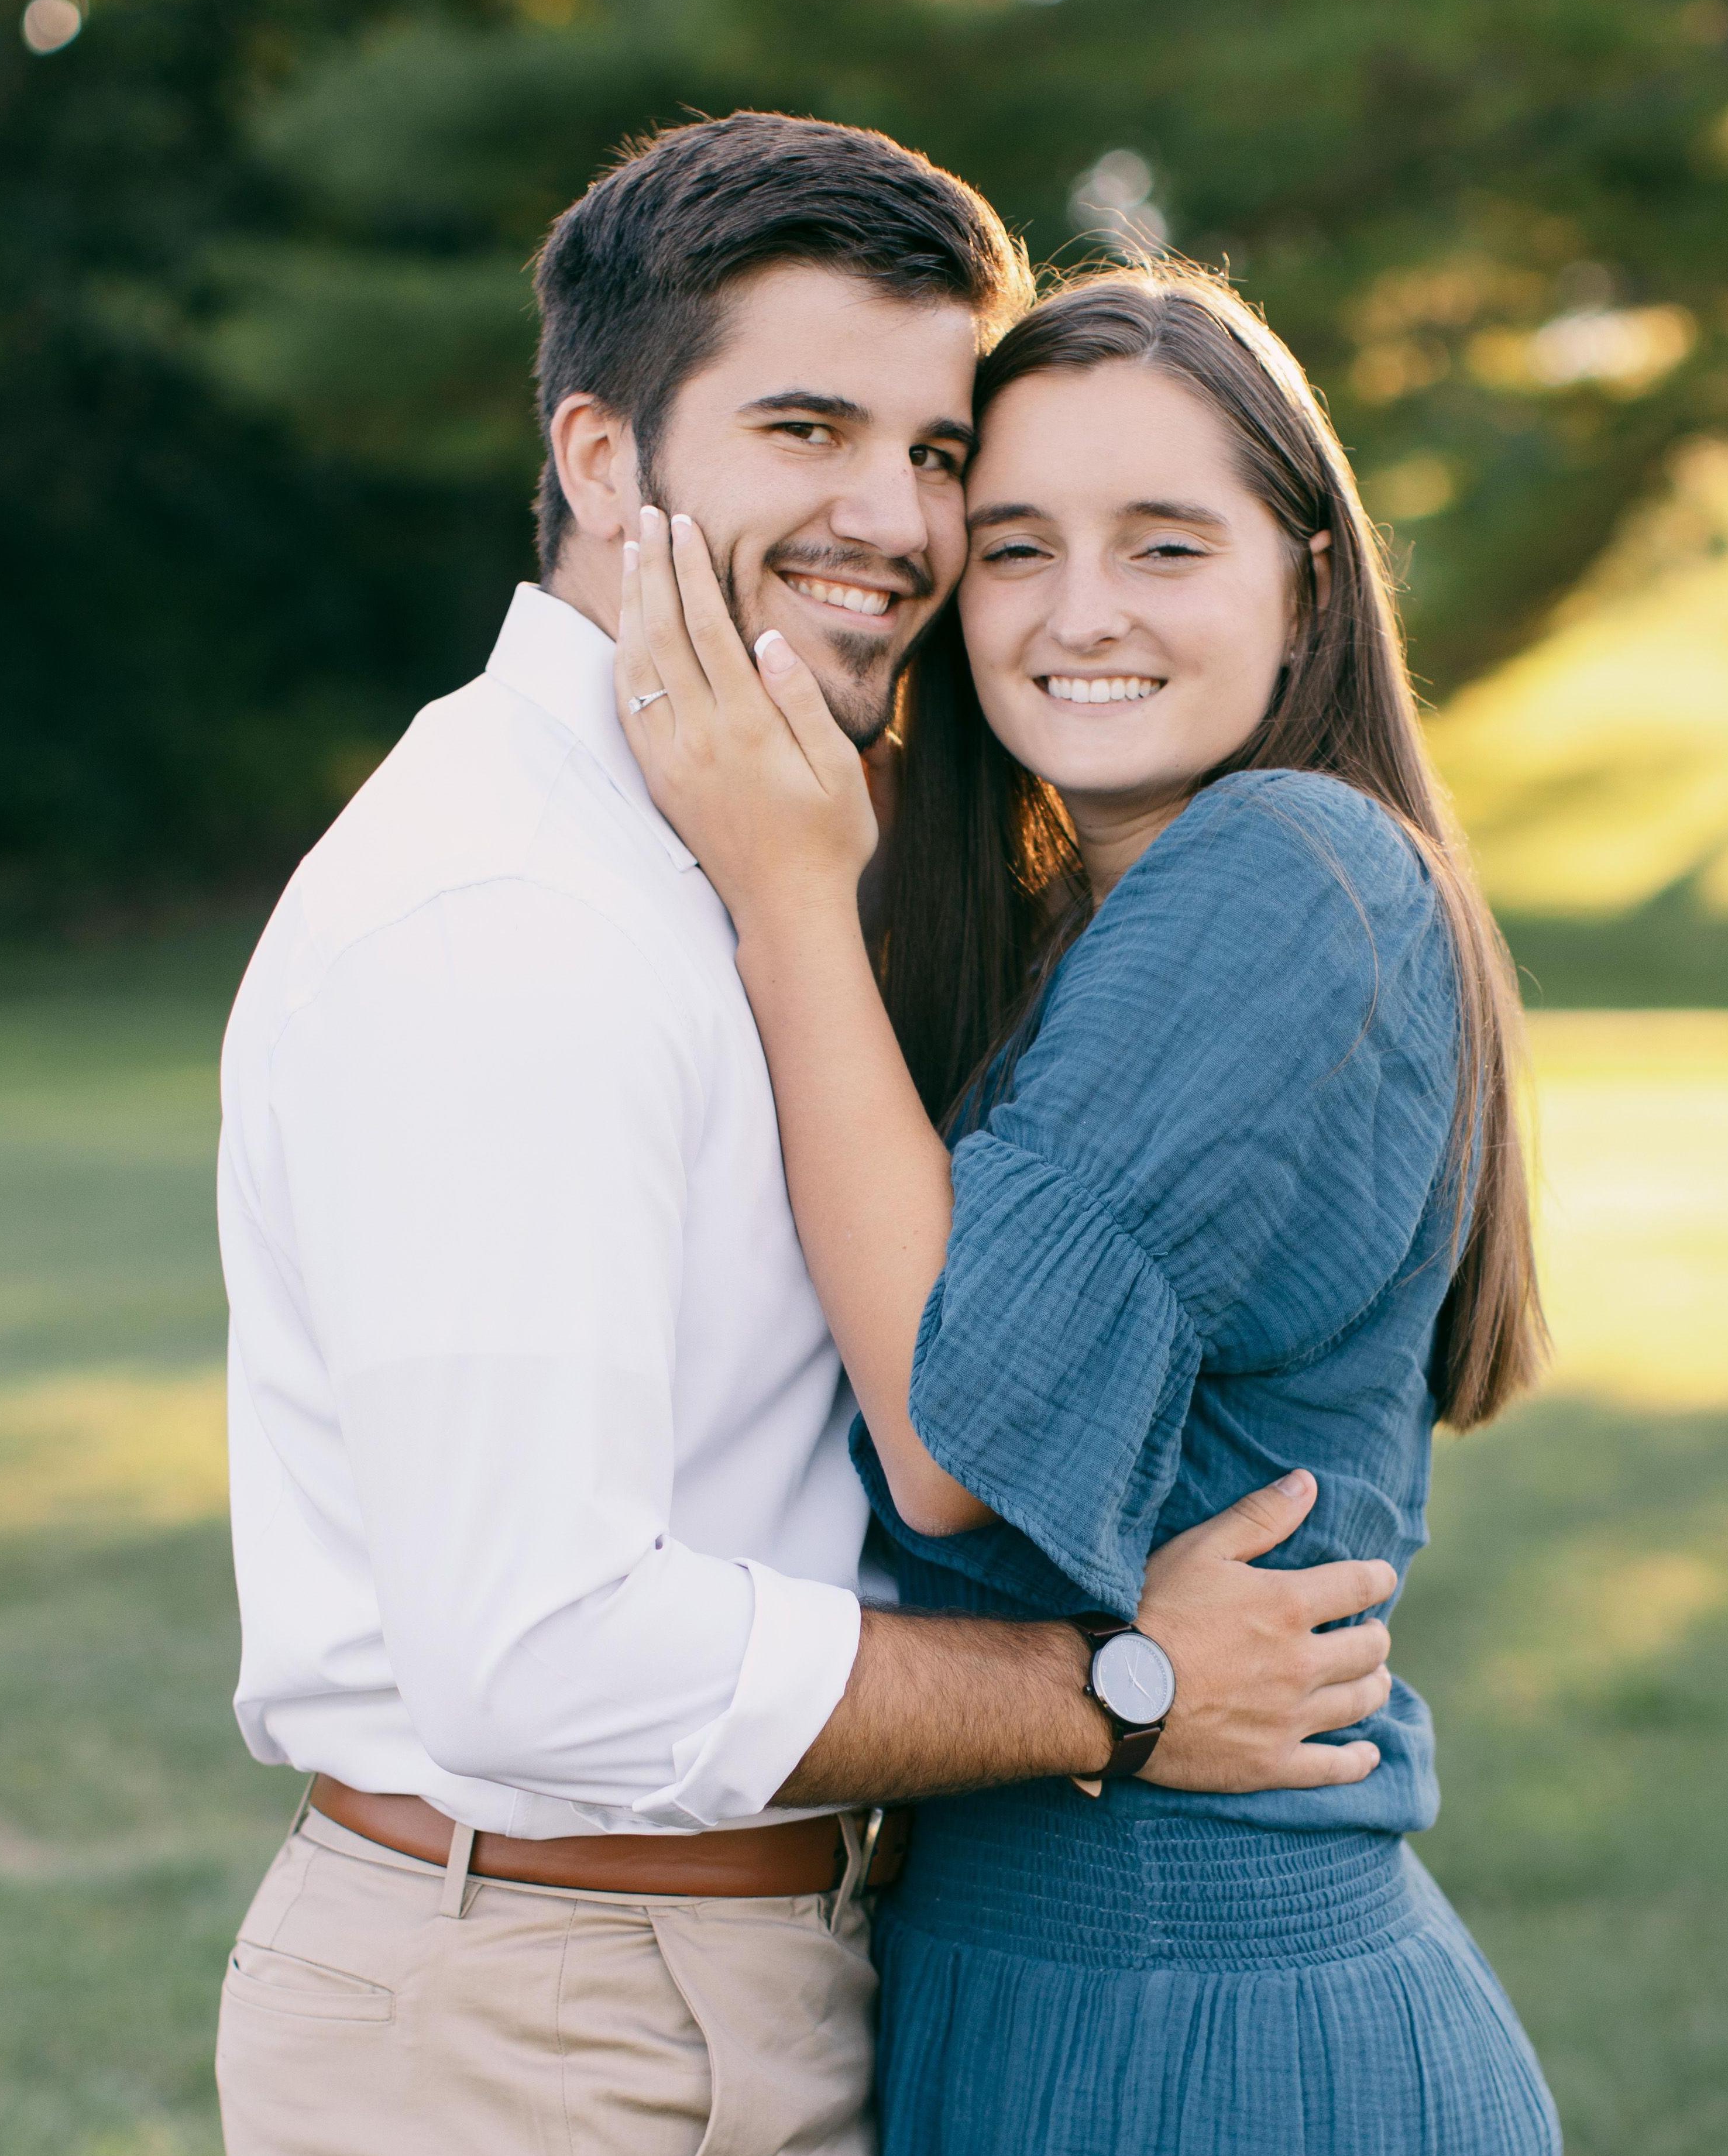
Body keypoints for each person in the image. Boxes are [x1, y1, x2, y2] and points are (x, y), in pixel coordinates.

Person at [212, 119, 1408, 2156]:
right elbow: (535, 1651)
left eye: (937, 454)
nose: (894, 521)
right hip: (544, 2024)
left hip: (706, 1981)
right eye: (803, 427)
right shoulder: (515, 914)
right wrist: (1111, 1689)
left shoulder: (731, 846)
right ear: (603, 462)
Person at [617, 262, 1562, 2155]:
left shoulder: (1282, 871)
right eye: (1018, 546)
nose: (1079, 613)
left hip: (1202, 2020)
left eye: (1164, 543)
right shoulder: (1083, 923)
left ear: (1305, 577)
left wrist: (788, 887)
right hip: (1043, 1971)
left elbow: (958, 1432)